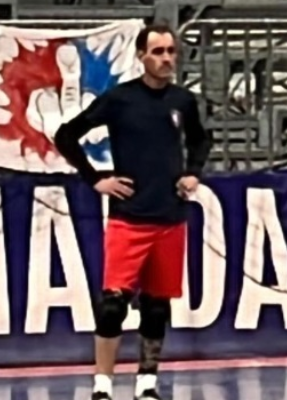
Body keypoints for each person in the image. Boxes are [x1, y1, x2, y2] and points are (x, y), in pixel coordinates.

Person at [54, 24, 212, 400]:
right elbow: (66, 135)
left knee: (156, 307)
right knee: (112, 306)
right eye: (158, 52)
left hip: (169, 217)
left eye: (171, 51)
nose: (166, 59)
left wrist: (193, 172)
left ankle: (147, 383)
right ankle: (102, 385)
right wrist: (95, 178)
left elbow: (201, 139)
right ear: (141, 56)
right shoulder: (120, 99)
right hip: (129, 217)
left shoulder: (183, 101)